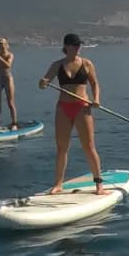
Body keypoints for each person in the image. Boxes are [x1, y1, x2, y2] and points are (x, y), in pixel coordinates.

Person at [38, 33, 105, 194]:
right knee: (62, 148)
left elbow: (95, 84)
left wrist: (96, 99)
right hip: (63, 108)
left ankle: (99, 185)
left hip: (82, 107)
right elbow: (44, 82)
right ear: (66, 46)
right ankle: (58, 184)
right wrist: (43, 83)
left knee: (89, 147)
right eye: (75, 45)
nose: (78, 48)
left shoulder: (87, 64)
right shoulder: (57, 65)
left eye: (79, 45)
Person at [0, 36, 18, 129]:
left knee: (10, 102)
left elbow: (8, 65)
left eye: (3, 44)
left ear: (7, 45)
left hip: (7, 79)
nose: (1, 45)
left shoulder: (10, 55)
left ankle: (14, 123)